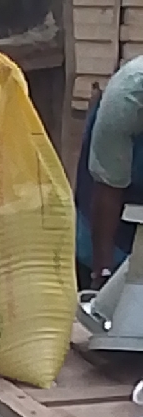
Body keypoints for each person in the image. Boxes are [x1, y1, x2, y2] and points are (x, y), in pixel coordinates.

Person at [78, 56, 143, 288]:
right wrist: (102, 271)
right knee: (115, 283)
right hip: (117, 186)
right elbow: (108, 189)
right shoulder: (127, 97)